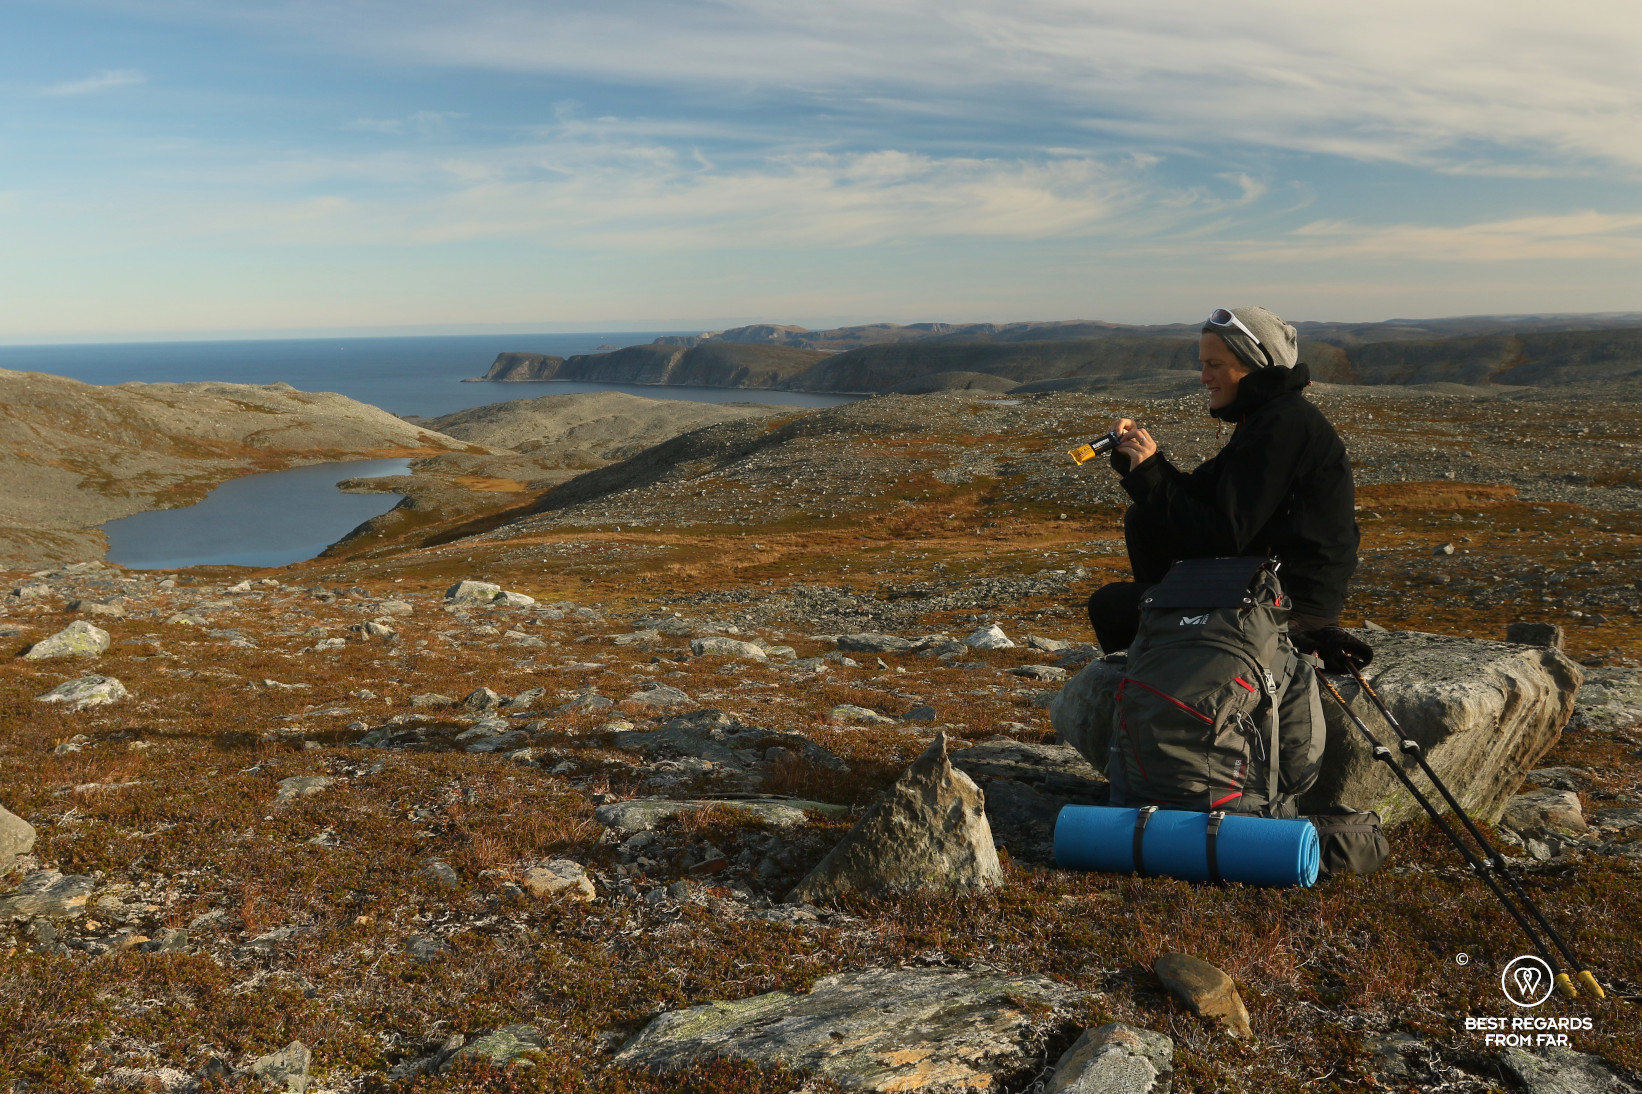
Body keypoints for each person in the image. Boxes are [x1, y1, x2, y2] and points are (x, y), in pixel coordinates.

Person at [1085, 305, 1370, 671]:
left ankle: (1167, 673)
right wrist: (1141, 463)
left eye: (1214, 365)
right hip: (1262, 577)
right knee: (1144, 518)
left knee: (1109, 605)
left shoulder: (1283, 426)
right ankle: (1174, 632)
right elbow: (1200, 495)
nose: (1204, 377)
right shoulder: (1265, 417)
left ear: (1254, 364)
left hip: (1287, 600)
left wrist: (1150, 473)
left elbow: (1223, 534)